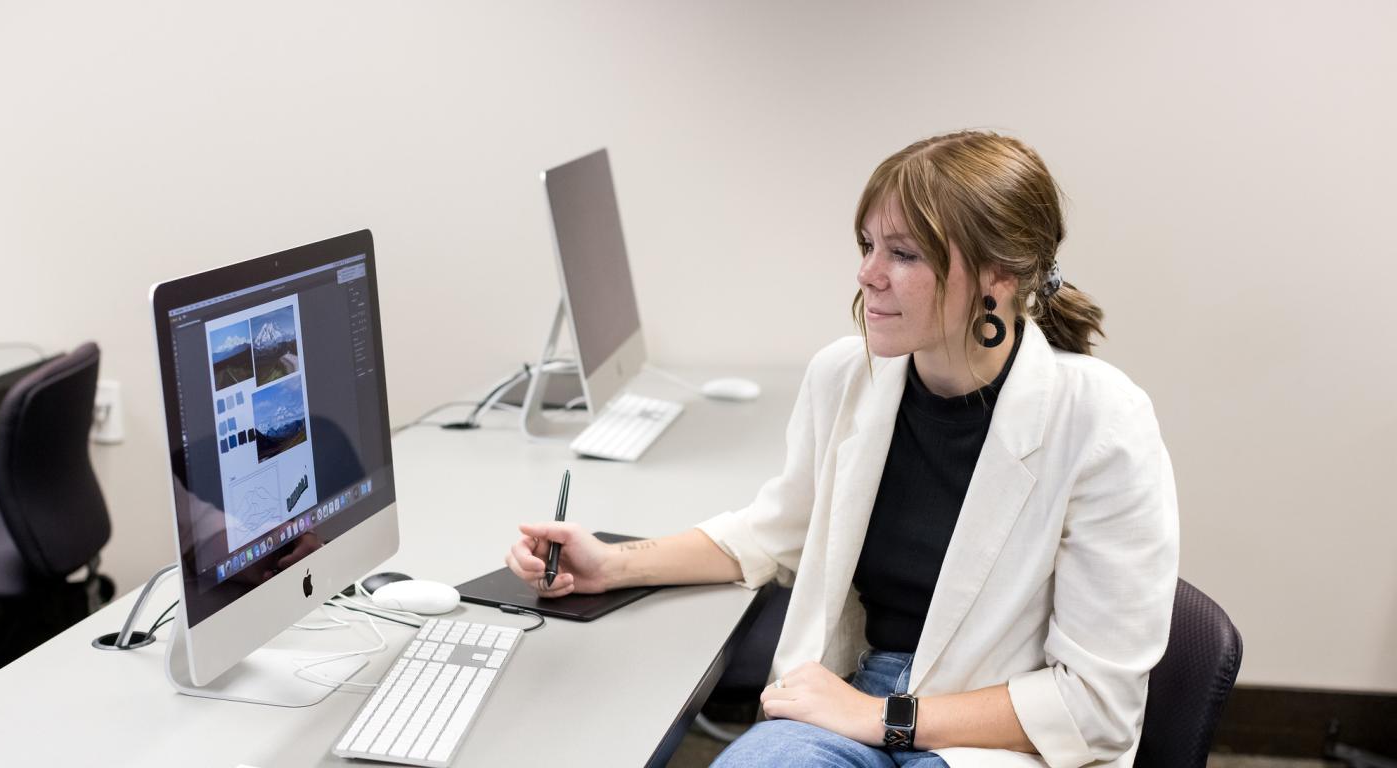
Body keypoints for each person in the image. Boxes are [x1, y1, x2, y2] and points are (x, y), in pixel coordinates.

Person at [504, 131, 1179, 768]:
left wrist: (886, 717)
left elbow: (1095, 705)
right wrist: (612, 563)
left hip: (997, 734)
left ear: (996, 275)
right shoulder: (845, 377)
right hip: (853, 694)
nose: (867, 274)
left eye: (903, 254)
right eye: (867, 245)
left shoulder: (1101, 421)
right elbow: (773, 533)